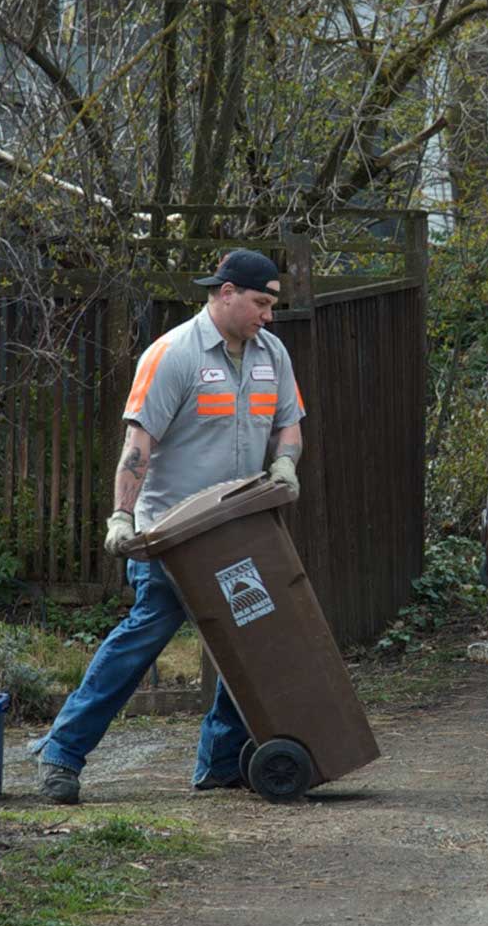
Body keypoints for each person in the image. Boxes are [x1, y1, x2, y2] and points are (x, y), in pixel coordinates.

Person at [35, 249, 305, 804]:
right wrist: (120, 517)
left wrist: (284, 463)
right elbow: (138, 447)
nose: (268, 316)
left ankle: (221, 763)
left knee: (252, 640)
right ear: (225, 293)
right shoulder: (172, 356)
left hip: (240, 529)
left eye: (272, 305)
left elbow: (289, 425)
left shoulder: (271, 356)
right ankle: (62, 756)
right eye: (260, 302)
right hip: (175, 539)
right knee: (139, 644)